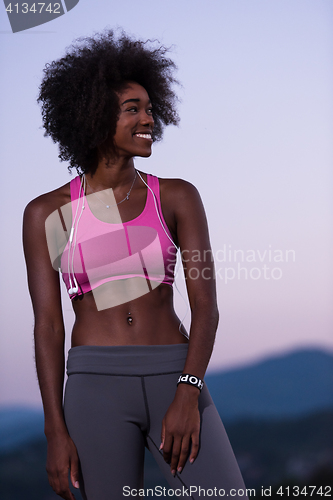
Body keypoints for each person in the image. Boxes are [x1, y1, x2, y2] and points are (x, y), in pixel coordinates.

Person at [23, 29, 248, 500]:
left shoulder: (178, 197)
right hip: (93, 386)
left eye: (149, 108)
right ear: (94, 116)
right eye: (133, 110)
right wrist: (55, 432)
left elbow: (206, 307)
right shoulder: (47, 213)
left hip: (175, 372)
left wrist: (188, 391)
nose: (149, 119)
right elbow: (48, 327)